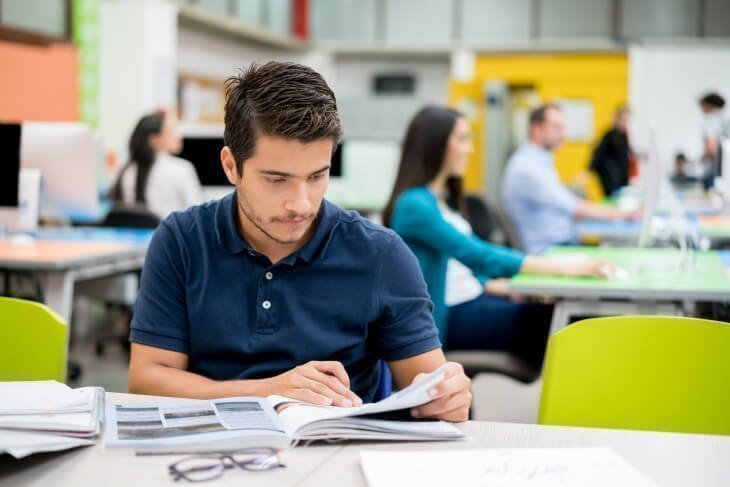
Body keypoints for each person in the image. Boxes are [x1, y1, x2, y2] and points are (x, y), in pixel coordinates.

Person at [127, 62, 471, 422]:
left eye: (316, 176)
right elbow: (148, 380)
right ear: (231, 167)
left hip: (336, 457)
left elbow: (430, 385)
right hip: (209, 457)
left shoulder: (382, 253)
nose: (301, 203)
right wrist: (265, 392)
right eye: (276, 180)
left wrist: (446, 396)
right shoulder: (181, 240)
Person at [383, 106, 614, 365]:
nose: (470, 148)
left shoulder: (440, 200)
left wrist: (509, 288)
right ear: (435, 144)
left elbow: (463, 271)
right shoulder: (415, 205)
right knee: (572, 323)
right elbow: (476, 254)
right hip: (452, 317)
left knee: (571, 317)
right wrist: (563, 268)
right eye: (461, 139)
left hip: (474, 300)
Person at [501, 104, 636, 255]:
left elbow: (566, 207)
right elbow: (574, 207)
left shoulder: (538, 160)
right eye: (556, 128)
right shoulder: (528, 167)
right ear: (536, 129)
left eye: (563, 128)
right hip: (548, 251)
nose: (562, 135)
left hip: (560, 243)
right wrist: (624, 214)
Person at [110, 110, 203, 219]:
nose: (178, 136)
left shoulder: (126, 170)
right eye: (171, 131)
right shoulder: (181, 169)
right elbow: (198, 215)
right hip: (170, 234)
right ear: (154, 139)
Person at [589, 107, 633, 196]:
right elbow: (598, 153)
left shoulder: (624, 135)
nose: (625, 122)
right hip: (611, 179)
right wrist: (589, 170)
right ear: (618, 118)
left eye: (627, 120)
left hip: (622, 178)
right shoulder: (610, 135)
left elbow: (627, 153)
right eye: (623, 119)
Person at [698, 93, 729, 188]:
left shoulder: (711, 119)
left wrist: (699, 161)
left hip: (715, 170)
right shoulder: (725, 116)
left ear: (708, 105)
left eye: (702, 106)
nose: (701, 110)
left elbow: (711, 147)